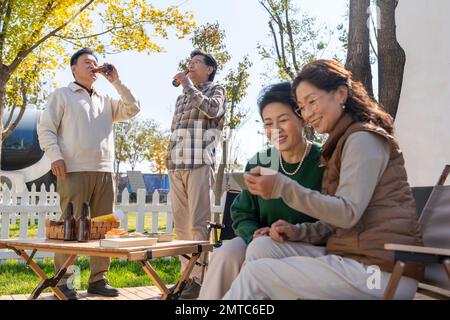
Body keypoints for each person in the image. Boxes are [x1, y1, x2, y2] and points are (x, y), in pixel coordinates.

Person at [223, 59, 424, 300]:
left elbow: (347, 213)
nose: (308, 112)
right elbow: (336, 223)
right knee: (261, 248)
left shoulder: (363, 139)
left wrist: (282, 186)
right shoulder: (342, 143)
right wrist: (295, 232)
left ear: (340, 93)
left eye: (312, 101)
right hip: (352, 258)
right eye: (302, 106)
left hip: (380, 272)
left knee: (255, 275)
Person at [198, 82, 324, 300]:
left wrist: (289, 232)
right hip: (261, 239)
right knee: (225, 253)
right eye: (268, 123)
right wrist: (254, 233)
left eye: (283, 120)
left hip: (308, 245)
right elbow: (242, 212)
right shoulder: (259, 162)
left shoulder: (324, 161)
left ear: (303, 118)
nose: (275, 130)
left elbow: (335, 216)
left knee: (259, 252)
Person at [37, 47, 140, 299]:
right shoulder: (62, 95)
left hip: (104, 171)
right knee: (70, 227)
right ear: (73, 68)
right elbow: (46, 128)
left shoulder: (106, 100)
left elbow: (133, 108)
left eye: (95, 62)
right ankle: (64, 282)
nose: (93, 65)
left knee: (103, 228)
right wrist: (56, 157)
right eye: (86, 62)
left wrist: (116, 81)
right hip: (73, 169)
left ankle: (98, 280)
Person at [167, 49, 227, 299]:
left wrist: (189, 86)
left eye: (196, 62)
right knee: (181, 227)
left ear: (209, 69)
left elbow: (212, 110)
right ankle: (185, 278)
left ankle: (200, 281)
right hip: (177, 166)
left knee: (198, 225)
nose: (190, 65)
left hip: (200, 163)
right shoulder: (182, 99)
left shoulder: (217, 90)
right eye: (189, 62)